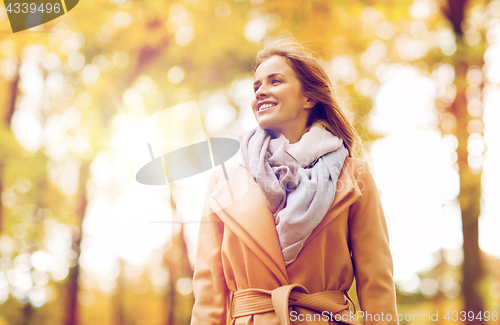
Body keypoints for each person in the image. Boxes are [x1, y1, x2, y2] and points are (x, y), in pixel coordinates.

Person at [190, 38, 399, 325]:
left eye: (275, 81)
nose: (262, 91)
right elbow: (209, 292)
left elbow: (376, 283)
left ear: (308, 98)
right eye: (256, 86)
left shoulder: (355, 176)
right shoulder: (223, 180)